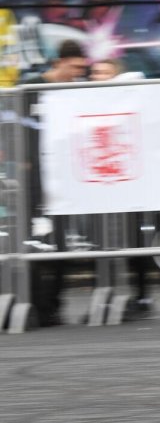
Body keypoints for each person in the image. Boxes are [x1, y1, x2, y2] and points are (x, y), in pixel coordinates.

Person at [19, 40, 88, 326]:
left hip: (63, 178)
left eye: (81, 68)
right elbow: (18, 128)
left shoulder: (76, 91)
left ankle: (55, 304)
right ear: (59, 62)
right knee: (33, 244)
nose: (77, 73)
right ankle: (38, 305)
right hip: (33, 178)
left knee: (61, 243)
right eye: (74, 67)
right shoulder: (31, 87)